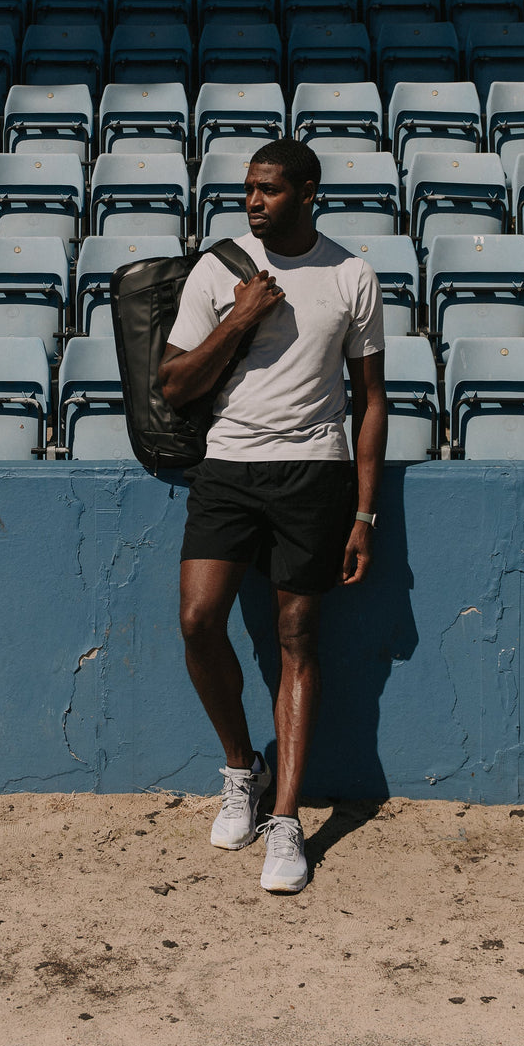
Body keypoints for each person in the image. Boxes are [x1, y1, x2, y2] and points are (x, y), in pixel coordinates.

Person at [159, 139, 386, 894]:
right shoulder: (220, 269)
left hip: (313, 473)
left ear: (308, 192)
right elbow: (175, 385)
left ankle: (286, 821)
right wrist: (240, 318)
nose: (252, 202)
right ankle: (242, 770)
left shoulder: (351, 275)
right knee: (198, 620)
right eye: (248, 189)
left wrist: (364, 513)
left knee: (298, 637)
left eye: (268, 190)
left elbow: (371, 401)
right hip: (226, 466)